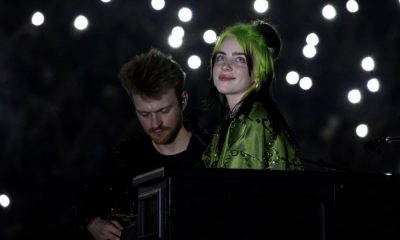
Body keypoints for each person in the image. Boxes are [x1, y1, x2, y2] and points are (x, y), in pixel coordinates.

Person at [74, 48, 210, 240]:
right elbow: (82, 200)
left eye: (163, 110)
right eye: (144, 114)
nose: (155, 124)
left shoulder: (210, 155)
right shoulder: (125, 156)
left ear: (183, 100)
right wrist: (93, 223)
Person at [202, 20, 303, 170]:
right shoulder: (234, 120)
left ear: (259, 72)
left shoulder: (253, 121)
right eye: (220, 57)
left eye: (239, 59)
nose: (225, 66)